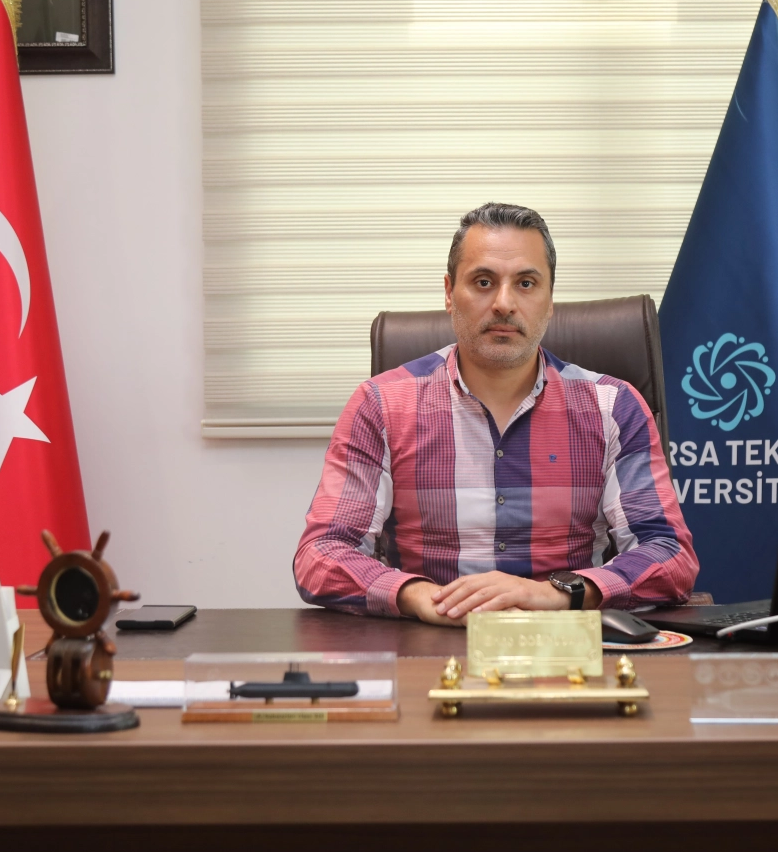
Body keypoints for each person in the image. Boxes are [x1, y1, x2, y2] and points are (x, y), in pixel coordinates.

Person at [295, 204, 697, 625]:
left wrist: (555, 594)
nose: (504, 303)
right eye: (483, 282)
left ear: (549, 300)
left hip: (566, 641)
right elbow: (321, 554)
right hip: (431, 640)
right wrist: (419, 597)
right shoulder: (380, 405)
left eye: (526, 283)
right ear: (449, 292)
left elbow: (669, 556)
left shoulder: (613, 407)